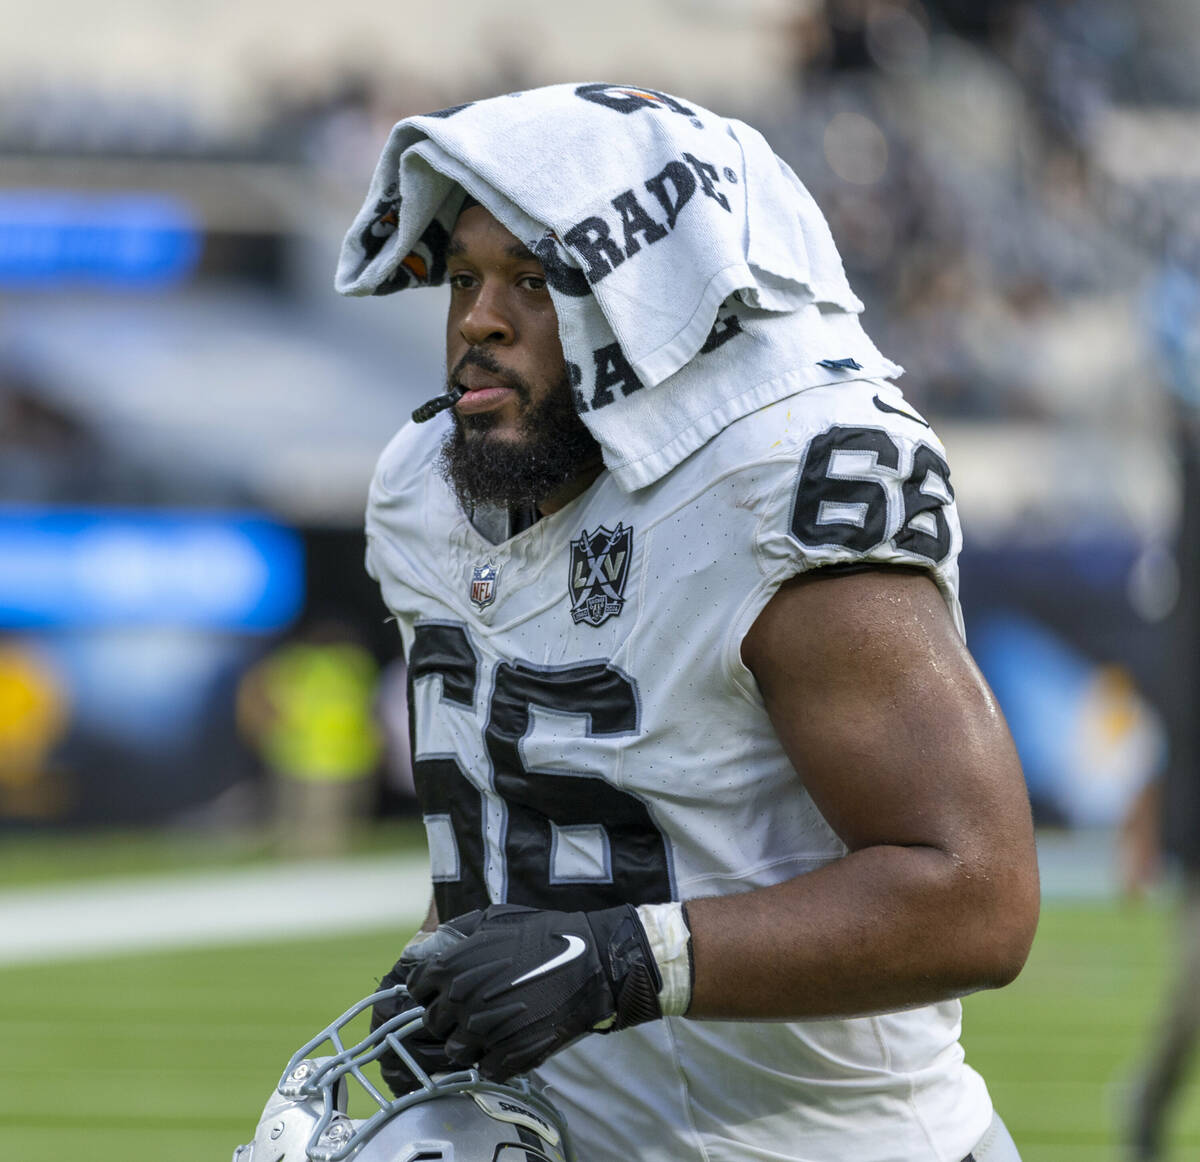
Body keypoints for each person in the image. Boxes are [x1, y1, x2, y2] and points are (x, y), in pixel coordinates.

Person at [338, 83, 1040, 1162]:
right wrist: (453, 974)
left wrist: (625, 959)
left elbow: (977, 897)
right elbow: (518, 826)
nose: (479, 318)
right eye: (468, 278)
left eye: (535, 280)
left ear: (653, 299)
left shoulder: (776, 483)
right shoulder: (421, 491)